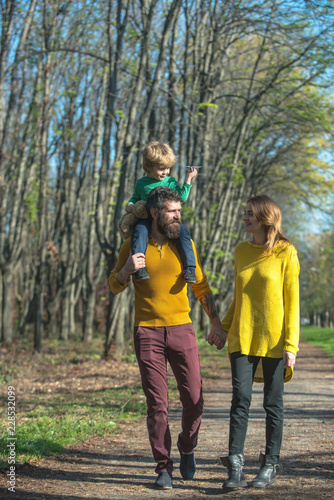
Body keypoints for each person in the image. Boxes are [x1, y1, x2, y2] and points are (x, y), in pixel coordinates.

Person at [108, 186, 226, 489]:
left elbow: (200, 285)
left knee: (194, 400)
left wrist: (215, 321)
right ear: (155, 213)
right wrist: (126, 271)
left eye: (179, 211)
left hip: (182, 329)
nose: (178, 216)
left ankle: (187, 446)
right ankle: (163, 466)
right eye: (172, 211)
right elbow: (114, 284)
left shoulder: (183, 245)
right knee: (157, 405)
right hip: (146, 330)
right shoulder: (134, 245)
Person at [220, 194, 300, 490]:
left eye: (250, 213)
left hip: (275, 340)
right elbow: (240, 296)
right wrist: (222, 326)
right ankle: (236, 465)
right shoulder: (241, 250)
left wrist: (292, 345)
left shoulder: (286, 252)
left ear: (266, 219)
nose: (245, 217)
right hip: (242, 337)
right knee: (240, 399)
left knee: (272, 403)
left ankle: (269, 464)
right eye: (245, 212)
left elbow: (292, 302)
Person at [125, 141, 198, 283]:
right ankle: (140, 268)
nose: (165, 172)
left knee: (183, 233)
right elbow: (135, 197)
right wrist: (130, 204)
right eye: (161, 169)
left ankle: (190, 268)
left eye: (168, 168)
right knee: (139, 232)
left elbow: (181, 197)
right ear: (148, 167)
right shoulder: (141, 183)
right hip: (147, 218)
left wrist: (188, 180)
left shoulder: (170, 181)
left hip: (168, 219)